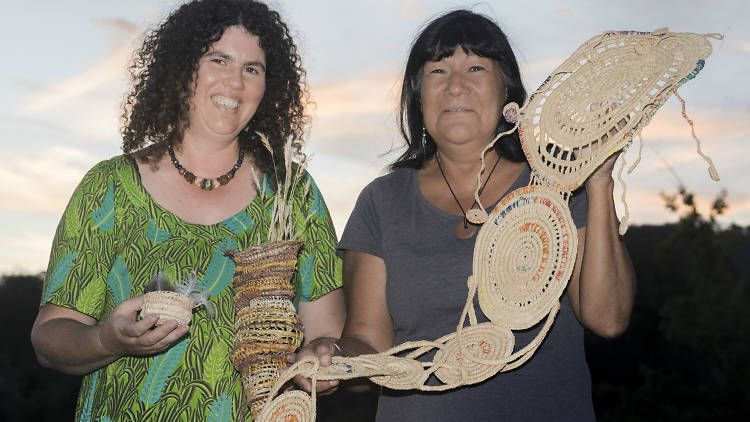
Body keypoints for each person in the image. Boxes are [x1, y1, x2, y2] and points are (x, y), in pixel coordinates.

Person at [296, 9, 636, 421]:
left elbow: (609, 319)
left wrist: (598, 181)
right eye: (438, 71)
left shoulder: (558, 186)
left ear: (506, 89)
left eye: (476, 67)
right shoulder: (381, 201)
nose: (456, 86)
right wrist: (332, 355)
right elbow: (370, 344)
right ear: (418, 95)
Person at [30, 1, 344, 420]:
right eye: (219, 59)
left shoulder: (292, 196)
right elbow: (49, 337)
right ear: (181, 69)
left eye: (253, 68)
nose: (235, 82)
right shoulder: (110, 188)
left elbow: (327, 333)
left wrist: (322, 357)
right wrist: (107, 340)